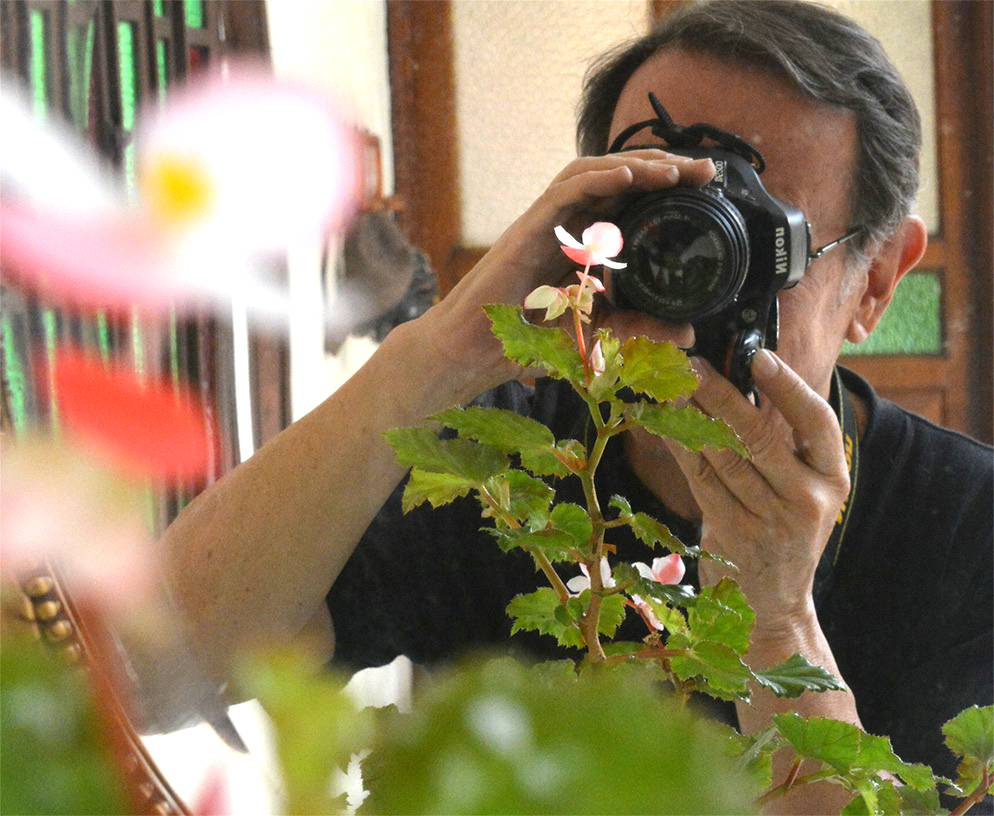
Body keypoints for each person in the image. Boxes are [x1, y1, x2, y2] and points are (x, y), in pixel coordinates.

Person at [160, 1, 992, 812]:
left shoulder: (970, 527)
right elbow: (153, 674)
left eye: (755, 235)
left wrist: (775, 622)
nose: (689, 268)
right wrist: (434, 355)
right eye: (661, 217)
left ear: (875, 281)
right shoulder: (496, 464)